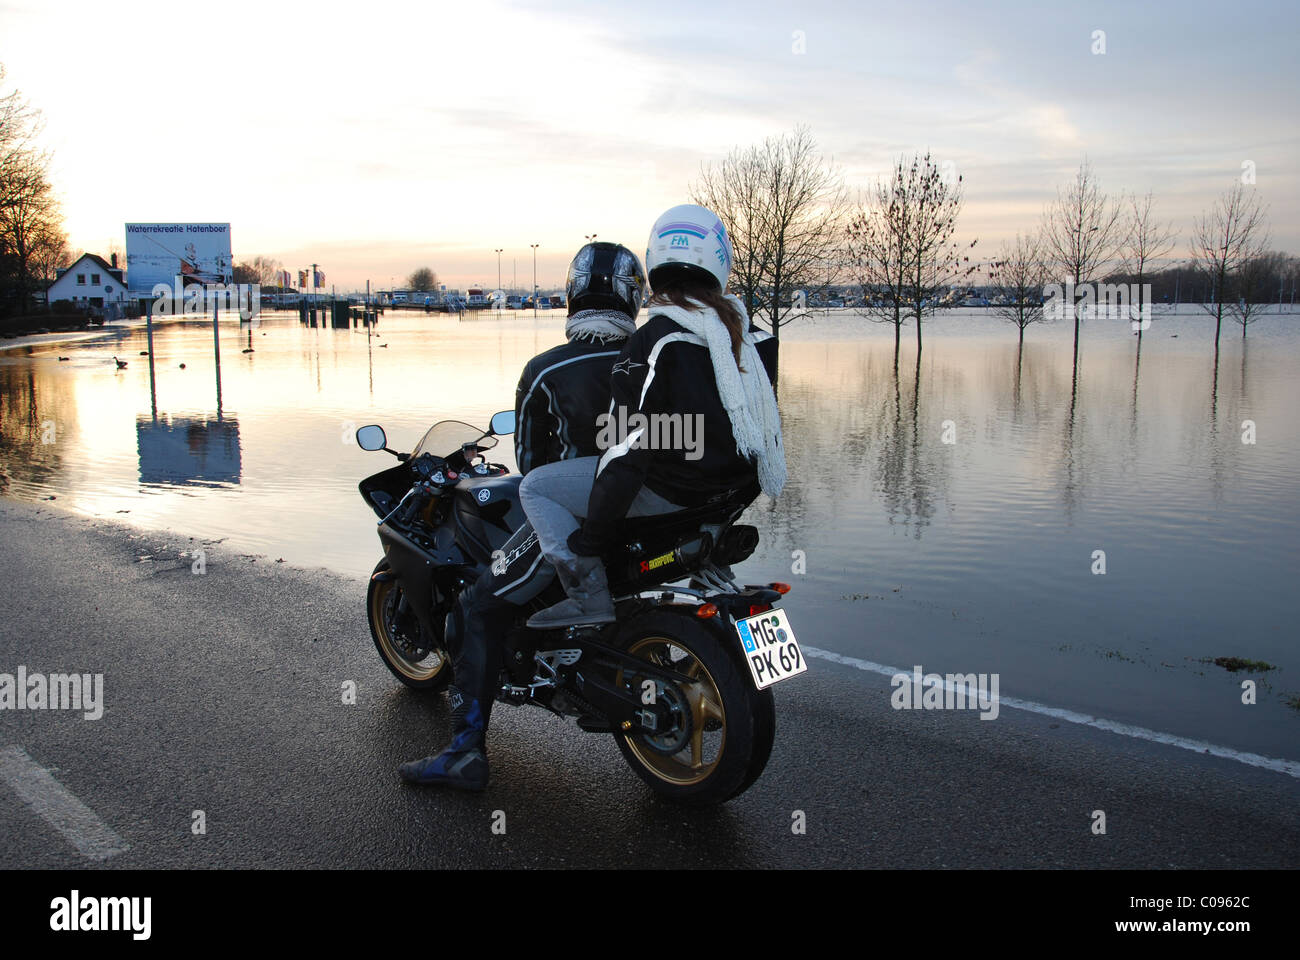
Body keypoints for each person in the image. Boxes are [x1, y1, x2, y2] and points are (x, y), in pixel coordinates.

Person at [398, 241, 648, 790]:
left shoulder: (546, 370)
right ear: (634, 296)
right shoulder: (656, 360)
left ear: (573, 293)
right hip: (654, 513)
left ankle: (464, 753)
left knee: (474, 606)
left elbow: (532, 466)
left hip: (578, 520)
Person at [521, 203, 786, 630]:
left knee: (535, 487)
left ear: (656, 259)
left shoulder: (656, 340)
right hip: (726, 498)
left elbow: (627, 449)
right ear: (721, 258)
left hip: (669, 493)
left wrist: (592, 538)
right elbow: (762, 435)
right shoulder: (753, 341)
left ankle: (587, 595)